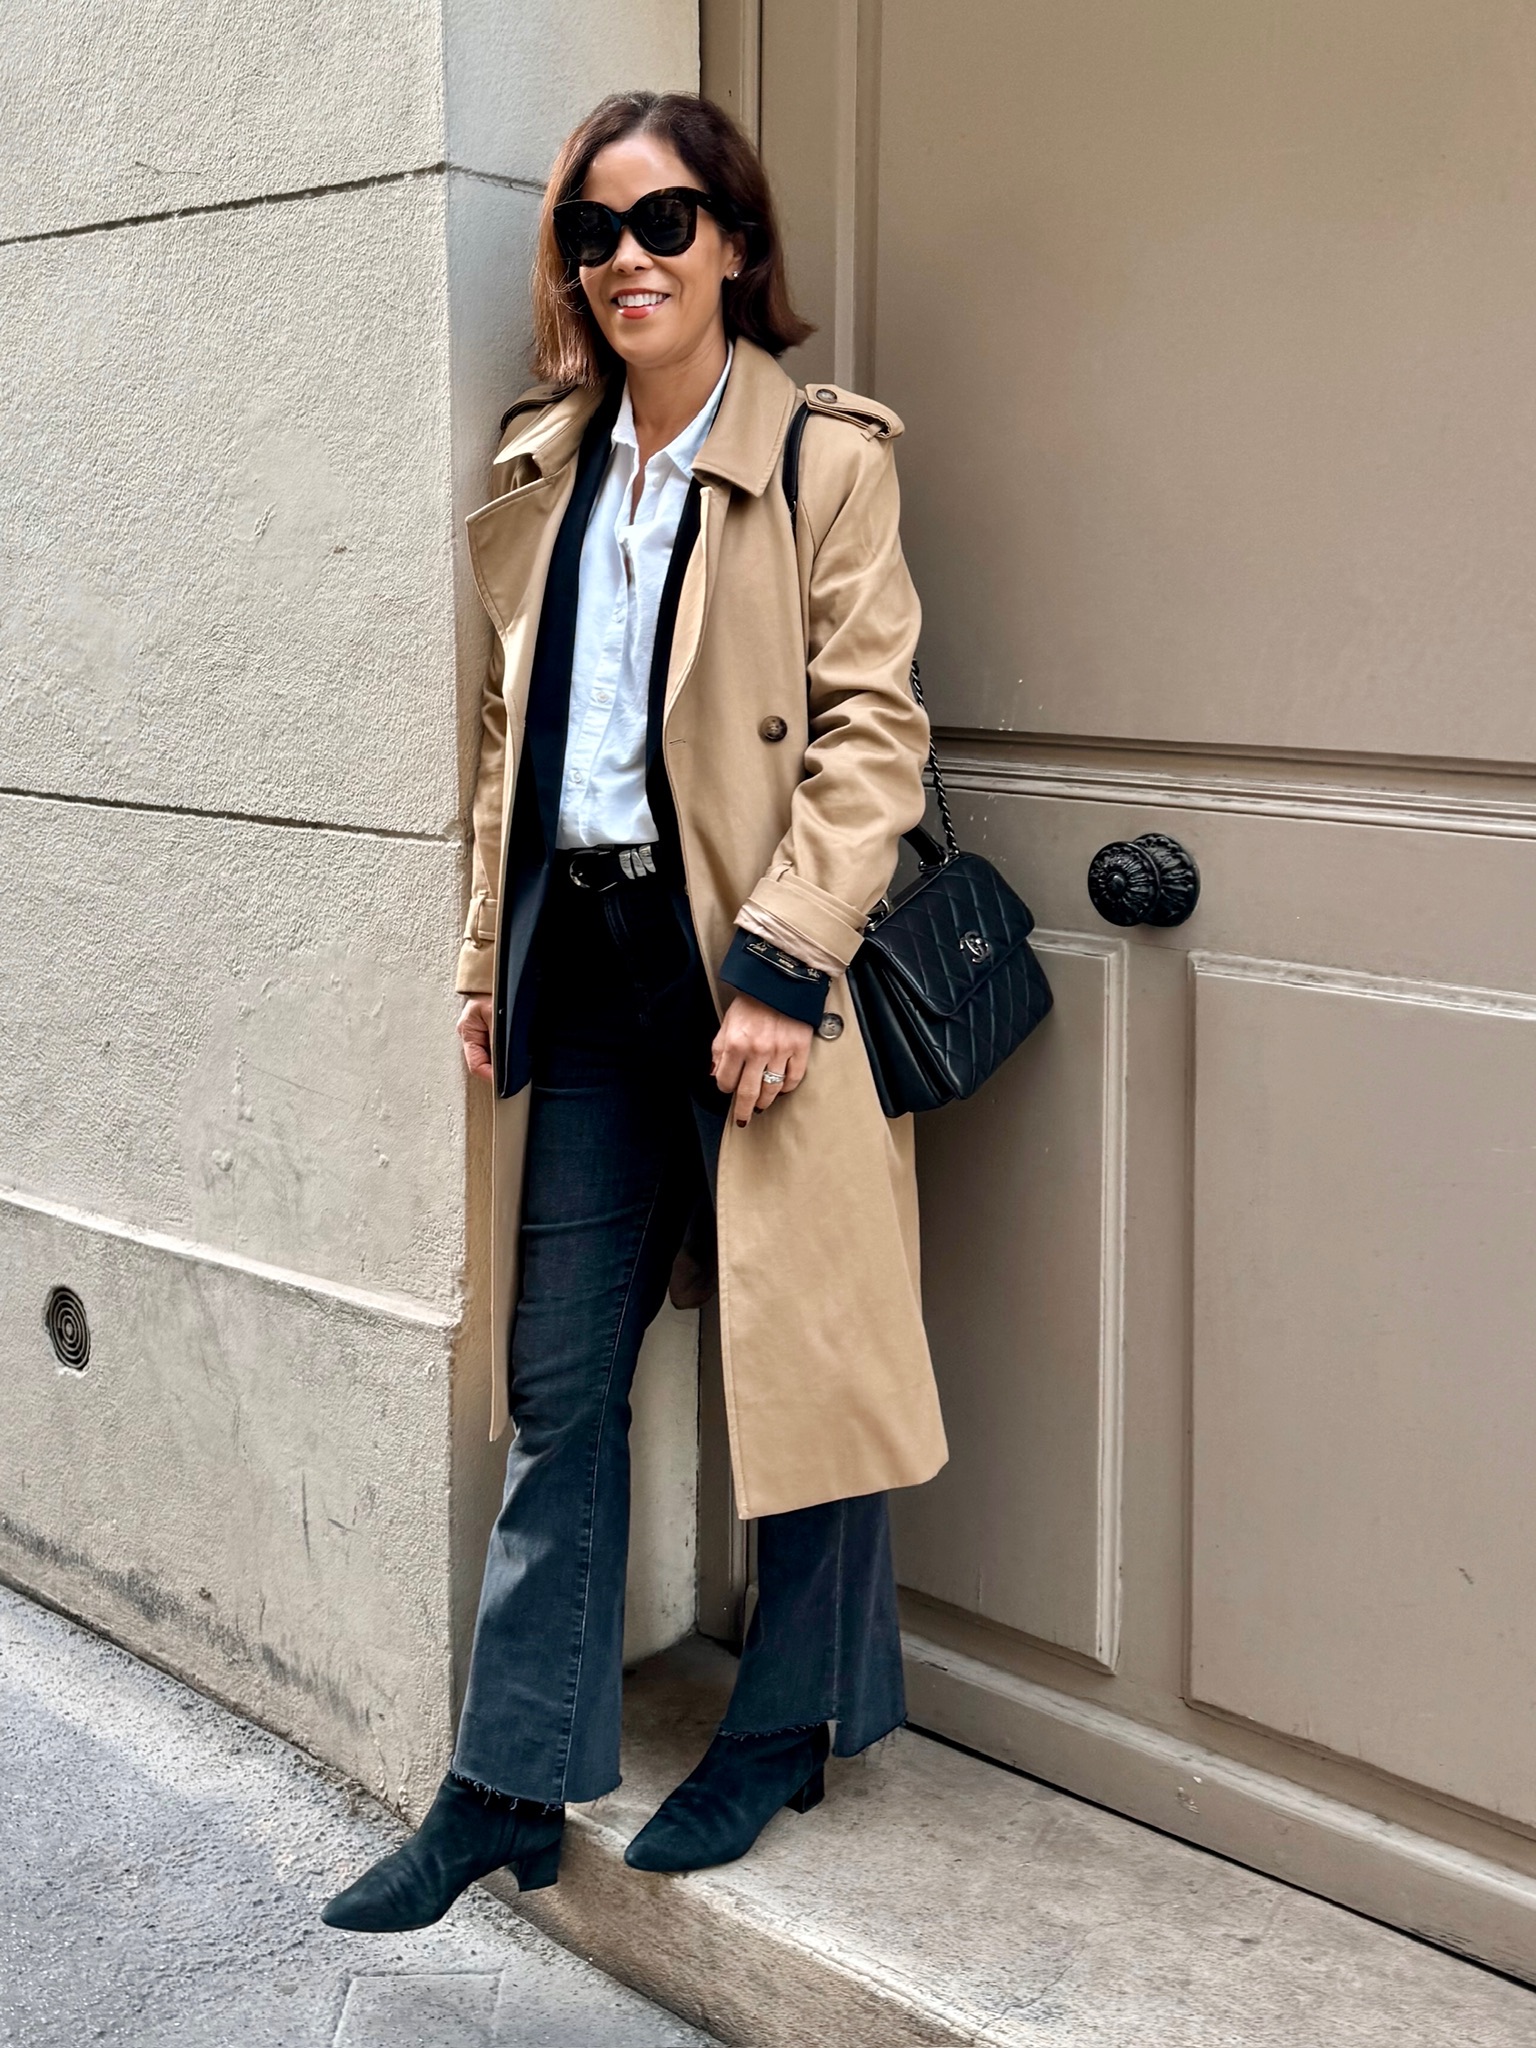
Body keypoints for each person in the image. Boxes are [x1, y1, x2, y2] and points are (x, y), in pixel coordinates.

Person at [322, 89, 947, 1933]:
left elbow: (874, 730)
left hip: (748, 968)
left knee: (802, 1367)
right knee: (560, 1381)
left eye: (665, 223)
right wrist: (472, 962)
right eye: (593, 233)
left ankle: (790, 1724)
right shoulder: (550, 462)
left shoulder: (826, 459)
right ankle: (509, 1781)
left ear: (737, 246)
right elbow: (513, 746)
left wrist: (781, 968)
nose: (625, 262)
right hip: (582, 978)